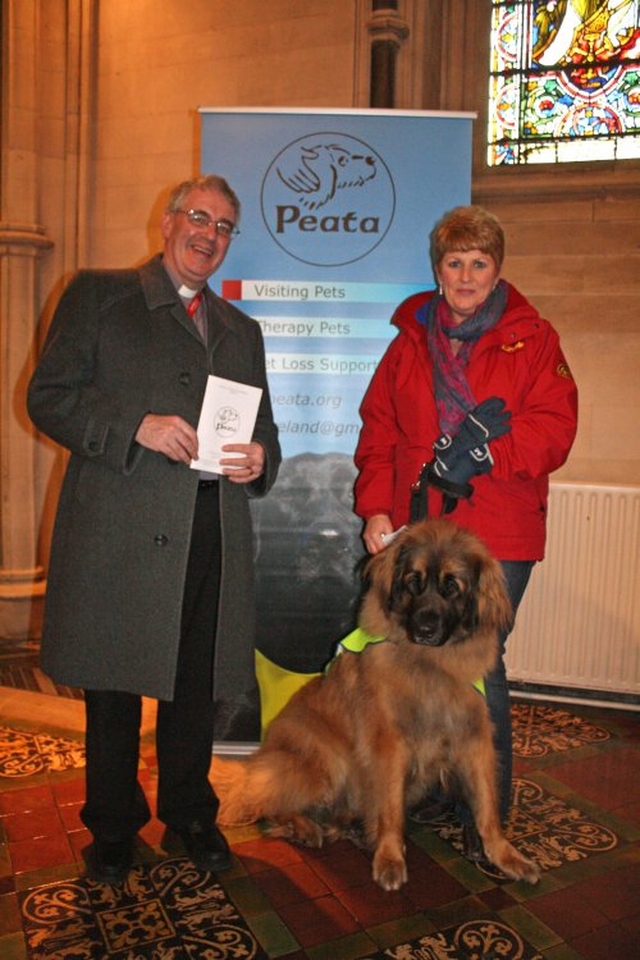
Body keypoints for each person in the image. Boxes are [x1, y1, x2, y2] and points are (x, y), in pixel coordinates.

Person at [27, 174, 281, 885]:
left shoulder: (242, 331)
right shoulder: (98, 296)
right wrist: (131, 427)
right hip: (120, 527)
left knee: (193, 684)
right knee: (114, 686)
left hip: (210, 530)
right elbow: (47, 398)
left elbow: (266, 433)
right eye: (199, 217)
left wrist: (262, 458)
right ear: (167, 222)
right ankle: (112, 827)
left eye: (225, 226)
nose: (210, 234)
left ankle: (191, 814)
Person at [353, 204, 577, 866]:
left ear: (497, 269)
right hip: (418, 528)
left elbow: (556, 426)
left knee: (481, 665)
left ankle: (489, 818)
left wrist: (489, 454)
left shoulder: (533, 339)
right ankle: (430, 781)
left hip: (498, 530)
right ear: (438, 269)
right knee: (414, 662)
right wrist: (374, 510)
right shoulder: (408, 342)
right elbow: (380, 432)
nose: (467, 275)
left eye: (480, 263)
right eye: (455, 263)